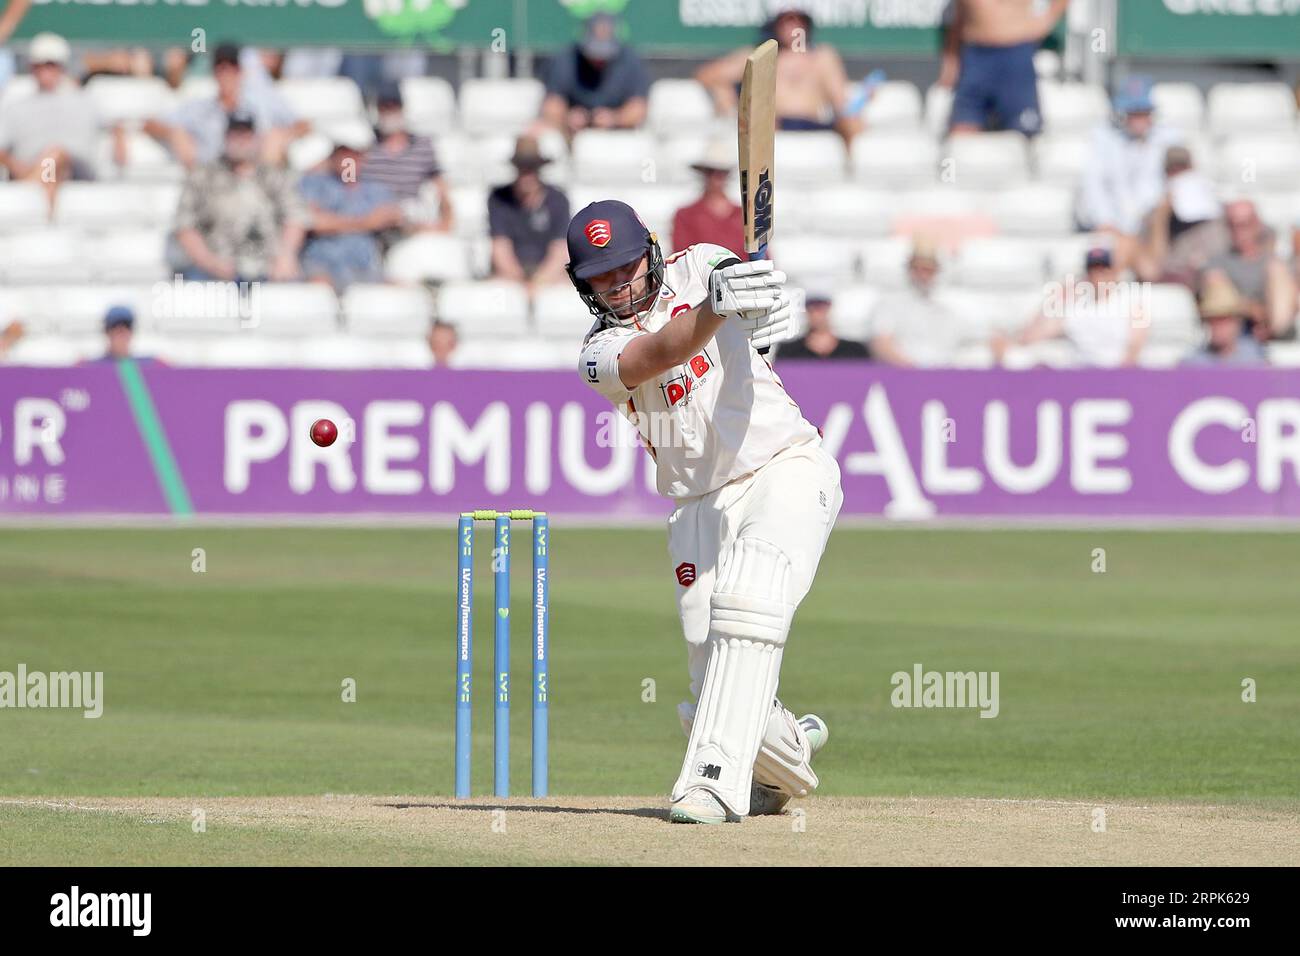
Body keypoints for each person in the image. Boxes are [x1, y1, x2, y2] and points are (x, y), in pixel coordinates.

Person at [570, 198, 837, 824]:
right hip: (697, 505)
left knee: (752, 596)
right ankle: (787, 752)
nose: (615, 284)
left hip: (783, 466)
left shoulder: (707, 266)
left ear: (652, 250)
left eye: (624, 267)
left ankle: (712, 783)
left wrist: (759, 307)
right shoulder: (598, 353)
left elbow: (756, 307)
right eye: (599, 277)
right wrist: (718, 309)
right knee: (708, 688)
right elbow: (656, 354)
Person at [171, 113, 307, 281]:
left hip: (268, 266)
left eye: (246, 135)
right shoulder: (203, 176)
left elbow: (296, 217)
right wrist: (210, 262)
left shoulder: (273, 175)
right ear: (225, 137)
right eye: (235, 134)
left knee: (299, 292)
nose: (240, 140)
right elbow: (184, 226)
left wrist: (286, 256)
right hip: (216, 267)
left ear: (256, 139)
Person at [696, 5, 860, 143]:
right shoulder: (760, 55)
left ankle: (851, 175)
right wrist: (730, 104)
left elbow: (841, 101)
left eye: (797, 21)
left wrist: (853, 115)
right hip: (776, 125)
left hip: (814, 123)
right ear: (776, 25)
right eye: (786, 21)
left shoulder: (822, 57)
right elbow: (709, 76)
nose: (792, 27)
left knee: (852, 125)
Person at [145, 42, 304, 168]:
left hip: (253, 184)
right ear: (214, 72)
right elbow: (150, 124)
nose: (226, 74)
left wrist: (280, 136)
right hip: (211, 185)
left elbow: (303, 125)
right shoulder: (199, 108)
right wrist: (175, 133)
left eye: (232, 68)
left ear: (241, 71)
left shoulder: (262, 104)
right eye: (221, 68)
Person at [996, 247, 1147, 367]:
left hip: (1118, 374)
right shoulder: (1075, 306)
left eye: (1104, 270)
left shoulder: (1132, 301)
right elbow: (1032, 336)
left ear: (1114, 273)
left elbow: (1136, 345)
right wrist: (1057, 298)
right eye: (1094, 271)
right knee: (1019, 357)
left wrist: (1120, 378)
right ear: (1087, 275)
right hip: (1080, 374)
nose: (1099, 276)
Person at [0, 32, 98, 213]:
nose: (44, 71)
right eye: (39, 65)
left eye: (50, 65)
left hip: (72, 169)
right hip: (31, 169)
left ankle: (33, 209)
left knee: (54, 157)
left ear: (62, 67)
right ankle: (46, 222)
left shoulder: (83, 102)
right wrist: (16, 165)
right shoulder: (15, 105)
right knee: (50, 170)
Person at [941, 0, 1070, 137]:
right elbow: (960, 14)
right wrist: (952, 59)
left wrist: (1045, 21)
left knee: (1025, 133)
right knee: (961, 136)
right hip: (975, 56)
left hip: (1015, 54)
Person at [1077, 77, 1184, 239]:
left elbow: (1178, 182)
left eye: (1143, 113)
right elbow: (1094, 184)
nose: (1138, 119)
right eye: (1133, 113)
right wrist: (1105, 220)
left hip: (1155, 230)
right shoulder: (1105, 139)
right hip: (1115, 227)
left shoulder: (1169, 139)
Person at [299, 132, 402, 291]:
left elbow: (389, 216)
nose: (348, 160)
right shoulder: (315, 183)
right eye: (343, 154)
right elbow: (314, 222)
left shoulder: (375, 189)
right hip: (324, 264)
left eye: (354, 154)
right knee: (317, 288)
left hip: (365, 266)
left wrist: (335, 222)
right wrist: (365, 222)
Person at [364, 82, 453, 236]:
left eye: (393, 107)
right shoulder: (364, 143)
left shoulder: (423, 146)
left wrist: (445, 224)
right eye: (384, 107)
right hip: (371, 218)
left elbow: (442, 190)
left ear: (402, 108)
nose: (389, 113)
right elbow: (347, 179)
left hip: (408, 220)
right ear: (377, 110)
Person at [1201, 200, 1297, 342]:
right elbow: (1217, 301)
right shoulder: (1217, 263)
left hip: (1275, 326)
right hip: (1238, 330)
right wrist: (1253, 310)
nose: (1239, 231)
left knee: (1277, 270)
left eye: (1244, 224)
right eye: (1233, 225)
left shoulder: (1275, 262)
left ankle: (1274, 332)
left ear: (1256, 224)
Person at [541, 13, 649, 137]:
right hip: (570, 134)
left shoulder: (630, 59)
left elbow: (639, 108)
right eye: (594, 53)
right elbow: (552, 104)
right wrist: (567, 117)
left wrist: (614, 118)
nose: (599, 59)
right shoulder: (565, 58)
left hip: (618, 135)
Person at [488, 136, 570, 293]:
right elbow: (500, 248)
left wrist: (539, 283)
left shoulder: (558, 200)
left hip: (549, 274)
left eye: (532, 168)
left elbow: (559, 251)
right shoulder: (499, 199)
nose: (527, 174)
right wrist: (520, 283)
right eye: (522, 168)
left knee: (565, 293)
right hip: (511, 275)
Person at [1133, 145, 1225, 286]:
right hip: (1168, 283)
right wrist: (1160, 218)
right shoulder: (1153, 215)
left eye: (1183, 169)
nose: (1179, 175)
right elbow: (1152, 265)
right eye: (1172, 170)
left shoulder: (1216, 211)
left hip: (1204, 280)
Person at [869, 239, 965, 367]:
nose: (923, 275)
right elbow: (882, 344)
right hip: (902, 375)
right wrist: (915, 371)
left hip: (941, 376)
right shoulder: (889, 304)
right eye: (918, 269)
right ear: (909, 270)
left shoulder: (949, 310)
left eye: (928, 270)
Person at [670, 139, 745, 255]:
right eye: (711, 171)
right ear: (704, 173)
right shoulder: (685, 215)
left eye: (721, 172)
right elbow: (681, 255)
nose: (716, 177)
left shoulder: (743, 215)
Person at [1184, 274, 1268, 366]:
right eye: (1213, 320)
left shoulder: (1255, 357)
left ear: (1238, 321)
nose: (1219, 326)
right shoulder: (1194, 362)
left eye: (1225, 319)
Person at [776, 291, 867, 360]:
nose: (817, 313)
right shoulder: (789, 352)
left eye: (822, 307)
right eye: (813, 307)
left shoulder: (855, 351)